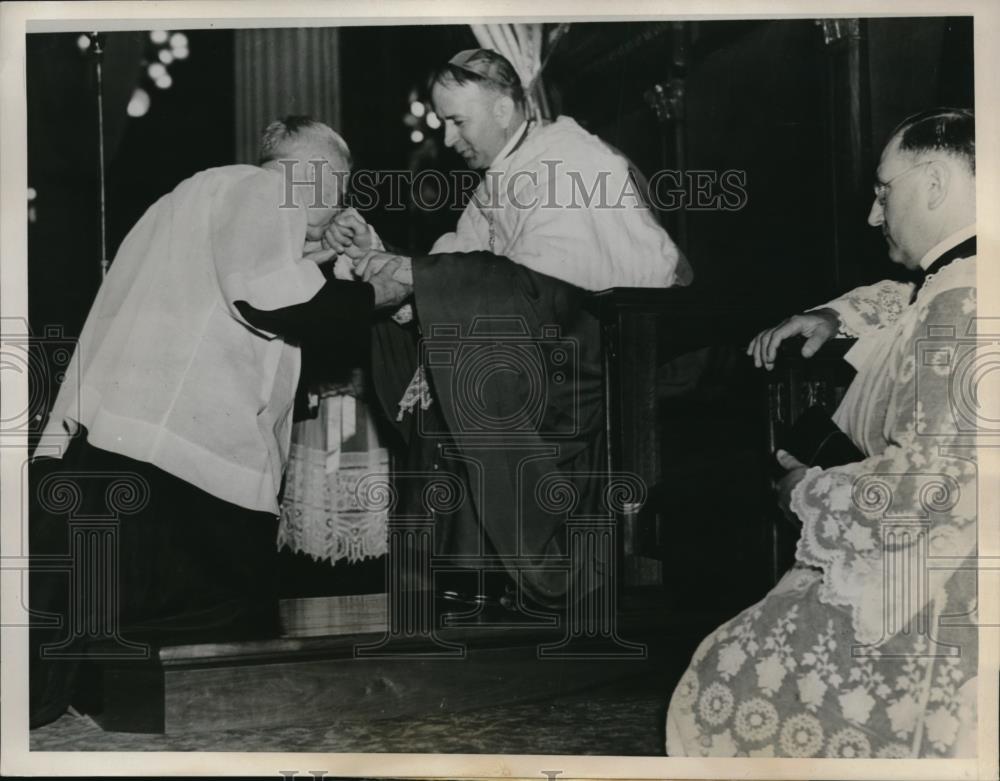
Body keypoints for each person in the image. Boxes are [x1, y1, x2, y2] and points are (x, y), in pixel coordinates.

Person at [28, 116, 398, 727]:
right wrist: (378, 292)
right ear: (318, 174)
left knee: (107, 631)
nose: (340, 201)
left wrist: (325, 253)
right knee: (227, 630)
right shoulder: (263, 188)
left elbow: (241, 281)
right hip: (186, 465)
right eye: (341, 184)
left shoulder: (194, 195)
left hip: (123, 445)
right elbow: (271, 301)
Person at [666, 108, 978, 757]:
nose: (872, 214)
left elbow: (936, 486)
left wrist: (808, 491)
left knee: (728, 674)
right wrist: (833, 317)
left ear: (936, 185)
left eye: (884, 191)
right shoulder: (964, 278)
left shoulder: (965, 301)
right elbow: (910, 300)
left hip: (953, 570)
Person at [333, 47, 690, 611]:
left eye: (457, 121)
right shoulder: (500, 177)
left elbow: (547, 285)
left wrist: (419, 278)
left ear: (502, 109)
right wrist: (383, 260)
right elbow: (465, 266)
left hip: (606, 351)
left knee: (474, 357)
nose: (449, 140)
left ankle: (510, 570)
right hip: (547, 343)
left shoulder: (568, 160)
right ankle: (469, 573)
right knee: (460, 351)